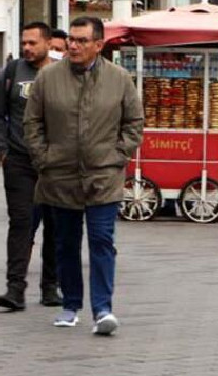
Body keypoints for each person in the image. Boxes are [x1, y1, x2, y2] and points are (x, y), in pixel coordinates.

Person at [24, 17, 144, 332]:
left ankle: (103, 309)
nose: (73, 46)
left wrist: (118, 155)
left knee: (102, 241)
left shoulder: (119, 79)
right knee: (65, 243)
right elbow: (32, 123)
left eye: (81, 41)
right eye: (71, 40)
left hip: (103, 176)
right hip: (59, 175)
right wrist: (43, 157)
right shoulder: (48, 78)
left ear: (98, 45)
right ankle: (70, 304)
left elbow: (134, 122)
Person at [0, 22, 62, 311]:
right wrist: (3, 152)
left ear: (48, 43)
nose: (27, 48)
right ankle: (15, 289)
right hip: (19, 162)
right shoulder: (12, 72)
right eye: (24, 43)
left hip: (56, 164)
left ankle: (50, 288)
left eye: (33, 43)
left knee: (56, 227)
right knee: (21, 224)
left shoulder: (62, 73)